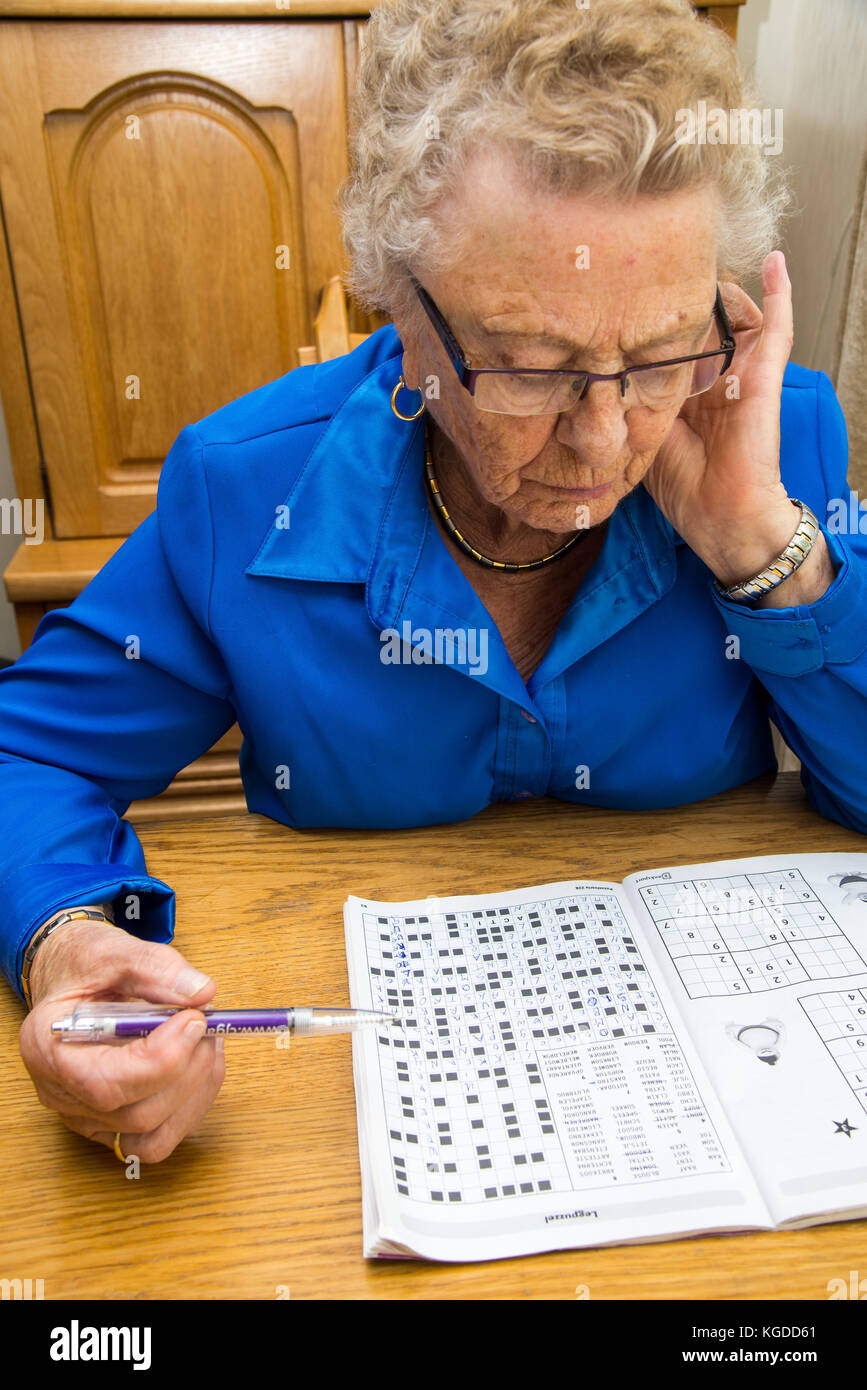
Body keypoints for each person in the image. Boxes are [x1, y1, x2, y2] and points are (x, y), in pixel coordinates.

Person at [2, 0, 864, 1165]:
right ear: (397, 305)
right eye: (526, 364)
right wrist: (65, 935)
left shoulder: (777, 436)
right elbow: (30, 754)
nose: (606, 439)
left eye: (661, 349)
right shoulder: (247, 484)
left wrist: (764, 545)